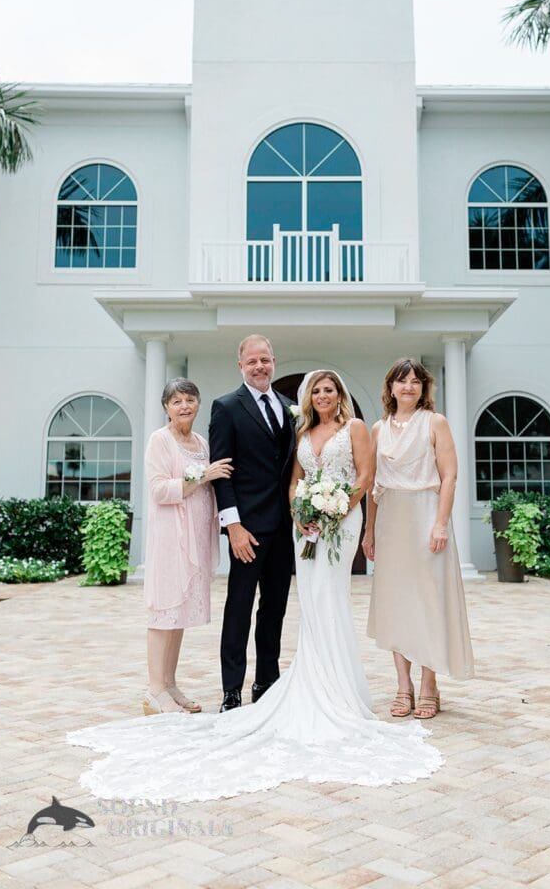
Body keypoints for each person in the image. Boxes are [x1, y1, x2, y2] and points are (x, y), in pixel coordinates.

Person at [67, 369, 444, 803]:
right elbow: (273, 478)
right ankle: (232, 691)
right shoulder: (243, 413)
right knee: (247, 606)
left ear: (338, 393)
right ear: (243, 364)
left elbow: (362, 475)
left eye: (329, 389)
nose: (323, 395)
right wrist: (259, 520)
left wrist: (335, 509)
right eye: (317, 390)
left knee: (301, 605)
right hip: (272, 526)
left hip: (320, 526)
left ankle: (283, 684)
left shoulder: (325, 422)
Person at [363, 359, 474, 721]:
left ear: (424, 387)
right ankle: (403, 685)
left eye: (415, 381)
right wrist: (369, 531)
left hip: (426, 515)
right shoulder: (378, 429)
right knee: (395, 602)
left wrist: (440, 524)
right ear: (390, 387)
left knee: (429, 601)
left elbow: (450, 477)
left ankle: (429, 683)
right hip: (391, 521)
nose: (408, 386)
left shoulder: (435, 423)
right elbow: (373, 485)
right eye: (402, 381)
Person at [208, 334, 296, 711]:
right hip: (246, 529)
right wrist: (233, 526)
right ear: (240, 365)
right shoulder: (226, 407)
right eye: (252, 361)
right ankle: (232, 690)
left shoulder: (290, 408)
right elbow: (221, 472)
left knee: (274, 608)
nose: (260, 367)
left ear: (274, 361)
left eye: (265, 360)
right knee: (239, 608)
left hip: (284, 529)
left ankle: (266, 682)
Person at [142, 378, 233, 716]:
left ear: (198, 403)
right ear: (166, 407)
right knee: (164, 610)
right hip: (170, 538)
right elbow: (159, 490)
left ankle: (169, 683)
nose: (184, 406)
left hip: (195, 537)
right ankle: (154, 690)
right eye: (177, 401)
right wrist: (202, 476)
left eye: (190, 400)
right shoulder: (160, 440)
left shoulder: (200, 442)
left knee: (178, 613)